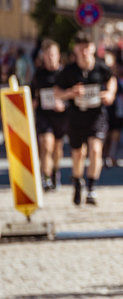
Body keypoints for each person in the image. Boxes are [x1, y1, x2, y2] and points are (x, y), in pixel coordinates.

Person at [55, 33, 117, 206]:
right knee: (78, 154)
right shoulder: (69, 70)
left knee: (96, 150)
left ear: (93, 48)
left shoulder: (100, 67)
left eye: (87, 48)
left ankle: (91, 188)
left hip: (96, 115)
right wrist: (70, 93)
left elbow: (112, 79)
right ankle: (77, 181)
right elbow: (57, 92)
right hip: (76, 116)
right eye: (81, 48)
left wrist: (110, 93)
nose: (84, 52)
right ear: (75, 49)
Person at [31, 39, 67, 191]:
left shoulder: (65, 74)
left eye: (52, 54)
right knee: (46, 144)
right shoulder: (38, 75)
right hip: (43, 115)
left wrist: (64, 104)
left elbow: (74, 95)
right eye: (47, 54)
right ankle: (45, 176)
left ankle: (55, 171)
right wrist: (32, 103)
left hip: (60, 117)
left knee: (57, 148)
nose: (50, 57)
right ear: (43, 56)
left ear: (58, 55)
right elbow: (32, 93)